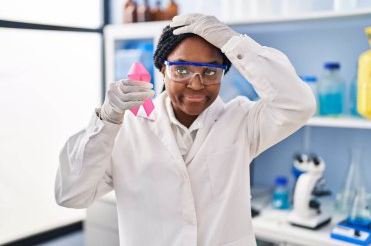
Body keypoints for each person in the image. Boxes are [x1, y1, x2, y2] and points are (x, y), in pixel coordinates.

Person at [55, 13, 316, 246]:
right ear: (162, 70)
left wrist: (235, 43)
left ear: (224, 73)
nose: (196, 84)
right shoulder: (125, 130)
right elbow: (71, 195)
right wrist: (106, 120)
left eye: (210, 72)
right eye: (181, 69)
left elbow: (298, 103)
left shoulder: (242, 120)